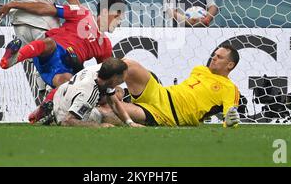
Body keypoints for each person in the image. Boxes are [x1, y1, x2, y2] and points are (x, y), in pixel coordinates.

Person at [101, 45, 241, 127]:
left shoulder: (230, 88)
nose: (214, 58)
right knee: (128, 64)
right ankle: (92, 81)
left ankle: (87, 110)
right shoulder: (200, 69)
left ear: (230, 65)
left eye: (219, 57)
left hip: (167, 115)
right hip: (160, 93)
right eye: (214, 55)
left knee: (108, 110)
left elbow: (231, 116)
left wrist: (229, 123)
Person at [48, 57, 144, 127]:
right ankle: (53, 117)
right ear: (115, 78)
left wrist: (130, 122)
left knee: (117, 96)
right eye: (123, 76)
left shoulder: (103, 73)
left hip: (61, 95)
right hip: (63, 113)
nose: (125, 79)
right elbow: (67, 121)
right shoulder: (89, 93)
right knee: (108, 117)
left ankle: (50, 112)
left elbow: (114, 102)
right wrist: (99, 126)